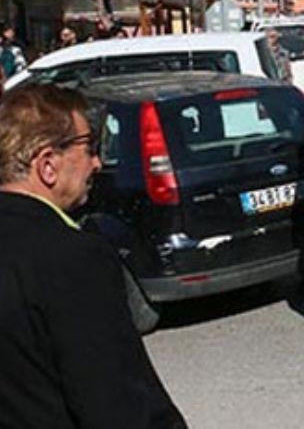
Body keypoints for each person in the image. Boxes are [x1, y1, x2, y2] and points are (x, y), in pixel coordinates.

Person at [0, 84, 185, 427]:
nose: (97, 162)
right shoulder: (71, 257)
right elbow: (116, 401)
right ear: (47, 165)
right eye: (88, 147)